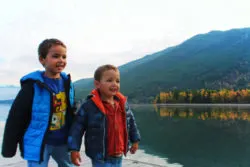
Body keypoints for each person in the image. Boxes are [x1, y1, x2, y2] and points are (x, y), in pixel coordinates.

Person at [1, 38, 75, 167]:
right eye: (55, 56)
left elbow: (71, 112)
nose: (61, 60)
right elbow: (16, 116)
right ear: (42, 59)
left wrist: (75, 140)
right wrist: (9, 147)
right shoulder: (32, 86)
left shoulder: (67, 83)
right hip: (39, 142)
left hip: (62, 140)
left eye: (64, 56)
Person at [68, 64, 141, 167]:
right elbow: (77, 128)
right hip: (100, 156)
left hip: (118, 154)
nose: (114, 84)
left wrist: (135, 140)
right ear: (97, 84)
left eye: (117, 81)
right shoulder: (89, 106)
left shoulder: (122, 104)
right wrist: (74, 149)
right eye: (109, 80)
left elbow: (131, 123)